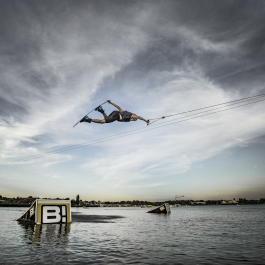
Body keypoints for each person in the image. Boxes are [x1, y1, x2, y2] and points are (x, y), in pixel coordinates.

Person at [81, 100, 149, 125]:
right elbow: (139, 117)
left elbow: (118, 107)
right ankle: (87, 119)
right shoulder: (132, 116)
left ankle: (101, 109)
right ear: (134, 116)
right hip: (116, 116)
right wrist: (145, 120)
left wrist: (111, 103)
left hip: (115, 113)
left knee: (106, 118)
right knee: (102, 122)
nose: (134, 120)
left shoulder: (125, 112)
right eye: (135, 119)